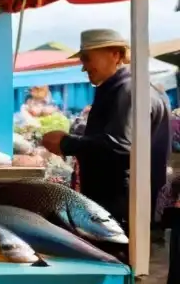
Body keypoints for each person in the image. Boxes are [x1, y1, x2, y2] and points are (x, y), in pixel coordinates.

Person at [41, 29, 171, 230]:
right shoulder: (126, 88)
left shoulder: (128, 90)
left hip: (122, 211)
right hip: (123, 208)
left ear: (115, 54)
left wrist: (67, 143)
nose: (84, 68)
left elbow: (121, 147)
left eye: (86, 58)